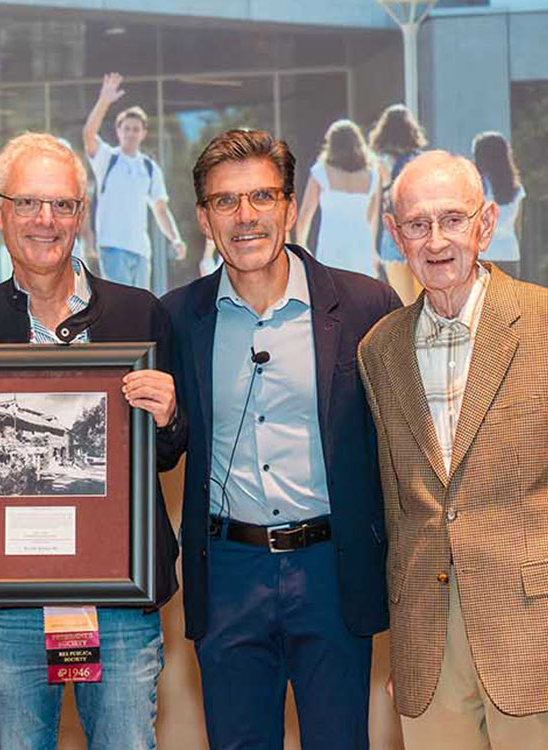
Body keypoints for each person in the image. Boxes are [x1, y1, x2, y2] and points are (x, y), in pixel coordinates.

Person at [0, 132, 183, 750]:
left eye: (62, 205)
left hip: (119, 597)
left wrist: (168, 416)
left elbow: (167, 453)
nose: (46, 220)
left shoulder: (139, 315)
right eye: (30, 203)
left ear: (81, 215)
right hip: (9, 603)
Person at [356, 151, 548, 748]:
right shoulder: (379, 349)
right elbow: (400, 511)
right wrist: (403, 646)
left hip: (546, 642)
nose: (436, 241)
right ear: (394, 233)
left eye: (452, 219)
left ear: (485, 224)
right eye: (417, 224)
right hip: (428, 649)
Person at [161, 128, 401, 749]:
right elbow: (166, 450)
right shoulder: (177, 318)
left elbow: (397, 451)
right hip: (229, 571)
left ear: (291, 206)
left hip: (332, 568)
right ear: (203, 219)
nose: (246, 217)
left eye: (262, 197)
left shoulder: (366, 305)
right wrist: (163, 420)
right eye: (226, 201)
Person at [82, 72, 187, 288]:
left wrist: (175, 238)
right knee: (120, 308)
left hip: (140, 252)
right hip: (112, 248)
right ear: (118, 131)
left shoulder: (149, 168)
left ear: (143, 133)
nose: (131, 133)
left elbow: (160, 210)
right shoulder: (107, 158)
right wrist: (104, 101)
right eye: (127, 128)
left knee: (138, 311)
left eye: (136, 129)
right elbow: (88, 135)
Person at [295, 119, 380, 278]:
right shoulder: (373, 176)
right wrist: (373, 252)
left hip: (330, 250)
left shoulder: (321, 172)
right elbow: (372, 220)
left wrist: (302, 247)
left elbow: (305, 216)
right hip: (362, 251)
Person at [368, 104, 428, 303]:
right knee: (425, 304)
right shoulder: (421, 160)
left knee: (404, 305)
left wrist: (371, 247)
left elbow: (375, 206)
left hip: (392, 237)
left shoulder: (381, 162)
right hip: (420, 236)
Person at [472, 132, 526, 278]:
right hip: (510, 254)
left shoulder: (475, 187)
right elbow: (517, 228)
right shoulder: (516, 189)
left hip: (483, 254)